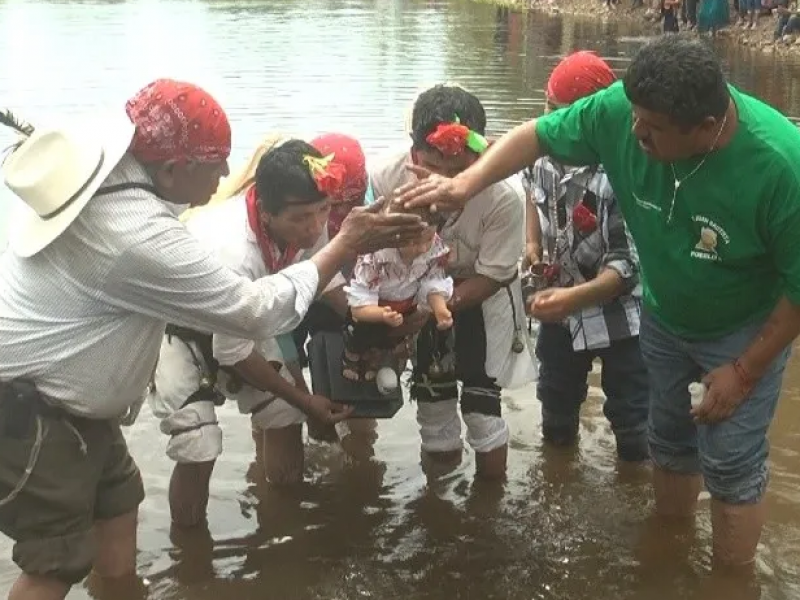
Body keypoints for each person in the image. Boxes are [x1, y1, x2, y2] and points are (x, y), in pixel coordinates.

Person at [0, 79, 424, 600]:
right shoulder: (142, 237)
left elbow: (318, 294)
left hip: (82, 408)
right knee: (56, 563)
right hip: (33, 411)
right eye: (217, 163)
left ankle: (190, 574)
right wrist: (346, 243)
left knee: (117, 530)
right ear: (175, 169)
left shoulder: (124, 179)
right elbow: (250, 314)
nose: (229, 174)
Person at [396, 35, 800, 569]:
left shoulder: (780, 167)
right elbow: (535, 136)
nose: (634, 135)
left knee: (733, 464)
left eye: (652, 131)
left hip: (744, 327)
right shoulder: (624, 110)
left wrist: (745, 372)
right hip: (664, 316)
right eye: (634, 118)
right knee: (669, 440)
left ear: (706, 129)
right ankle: (669, 561)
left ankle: (729, 581)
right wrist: (466, 182)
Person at [149, 139, 355, 528]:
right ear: (265, 211)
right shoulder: (234, 252)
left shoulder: (311, 219)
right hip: (178, 329)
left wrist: (369, 319)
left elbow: (323, 280)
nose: (314, 228)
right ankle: (191, 548)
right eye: (300, 219)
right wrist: (307, 398)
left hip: (244, 317)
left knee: (284, 412)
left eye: (322, 212)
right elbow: (232, 353)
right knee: (198, 443)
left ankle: (284, 527)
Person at [371, 84, 536, 481]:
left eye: (459, 171)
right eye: (432, 167)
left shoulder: (503, 197)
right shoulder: (386, 177)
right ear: (414, 155)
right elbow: (377, 257)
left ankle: (488, 509)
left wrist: (434, 307)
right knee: (433, 405)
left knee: (482, 409)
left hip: (483, 297)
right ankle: (438, 507)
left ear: (481, 156)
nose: (445, 181)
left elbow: (494, 275)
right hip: (418, 295)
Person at [522, 52, 649, 463]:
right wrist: (532, 247)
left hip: (622, 319)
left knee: (633, 421)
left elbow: (626, 267)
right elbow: (531, 200)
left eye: (569, 117)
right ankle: (557, 482)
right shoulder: (538, 156)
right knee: (555, 411)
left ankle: (639, 491)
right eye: (550, 112)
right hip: (561, 312)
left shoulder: (622, 172)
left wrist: (572, 299)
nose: (558, 127)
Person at [343, 210, 453, 383]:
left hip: (404, 310)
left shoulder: (434, 251)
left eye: (428, 240)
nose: (424, 248)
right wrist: (380, 314)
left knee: (387, 340)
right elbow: (359, 302)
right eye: (416, 241)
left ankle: (375, 358)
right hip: (371, 308)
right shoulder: (376, 255)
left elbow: (433, 282)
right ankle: (352, 358)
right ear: (397, 235)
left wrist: (440, 309)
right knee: (361, 336)